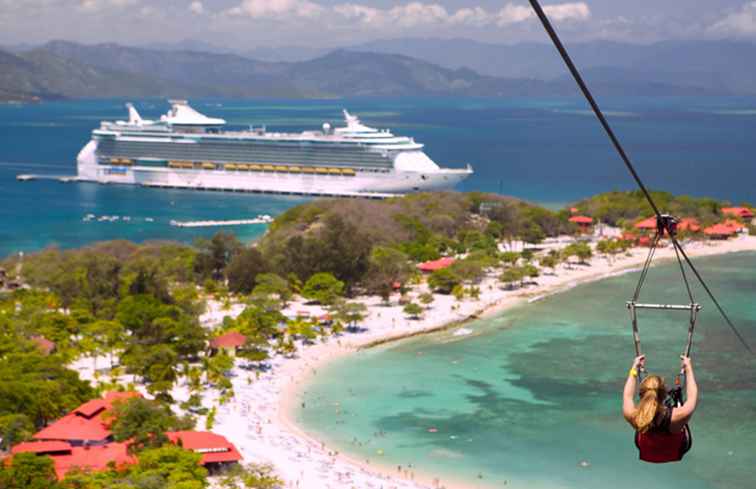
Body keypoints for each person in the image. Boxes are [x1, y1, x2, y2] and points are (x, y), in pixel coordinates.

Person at [622, 354, 698, 463]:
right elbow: (692, 395)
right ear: (664, 394)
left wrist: (634, 368)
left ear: (642, 394)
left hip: (647, 453)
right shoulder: (679, 415)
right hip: (675, 451)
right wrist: (688, 368)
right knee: (679, 407)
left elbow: (627, 396)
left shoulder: (633, 416)